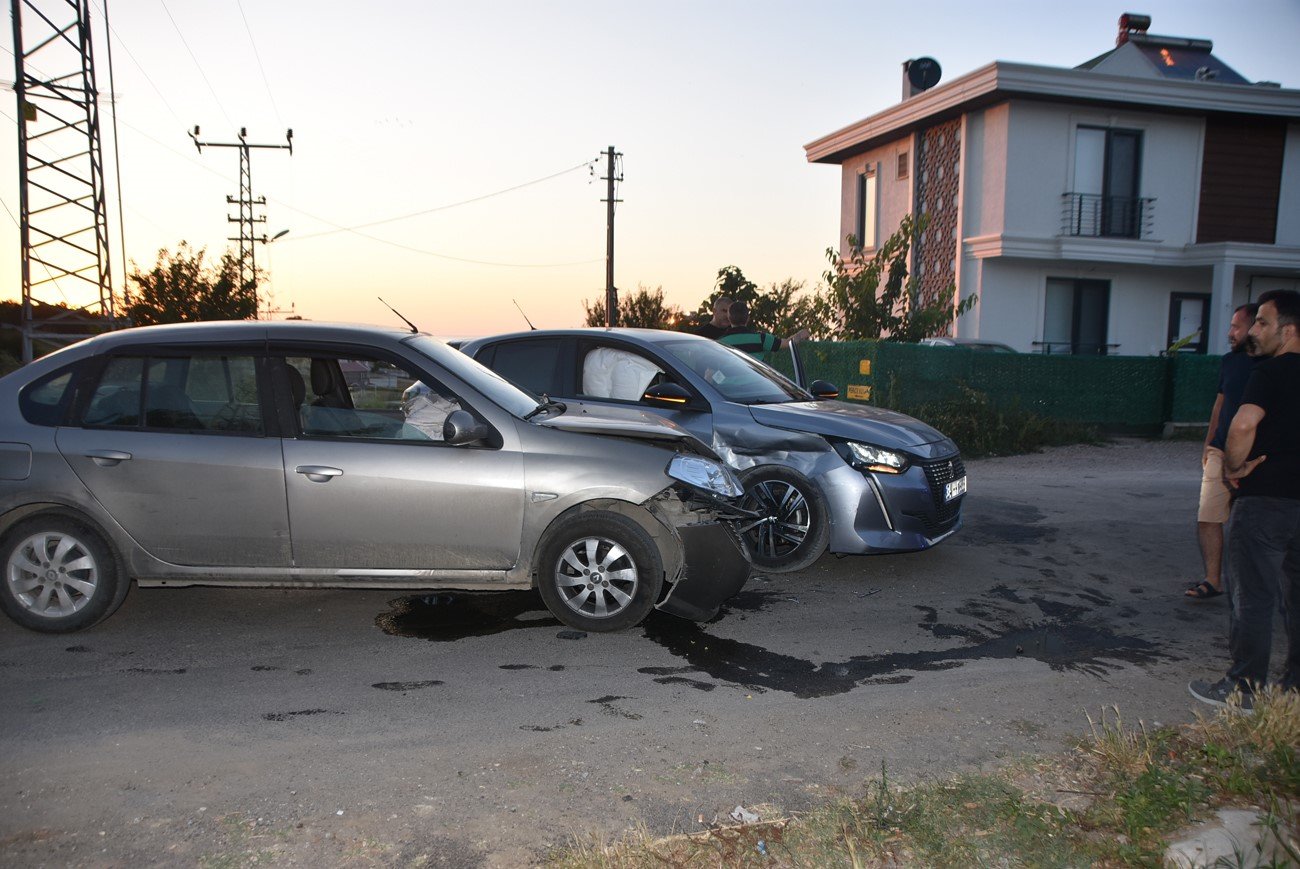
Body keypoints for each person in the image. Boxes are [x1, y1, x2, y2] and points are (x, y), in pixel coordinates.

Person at [1188, 289, 1300, 709]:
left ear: (1288, 331)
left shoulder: (1270, 374)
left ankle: (1244, 688)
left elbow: (1241, 425)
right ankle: (1294, 686)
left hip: (1267, 501)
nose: (1254, 330)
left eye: (1262, 323)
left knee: (1254, 597)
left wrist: (1234, 467)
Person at [1184, 303, 1259, 600]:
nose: (1230, 333)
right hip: (1220, 450)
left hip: (1256, 456)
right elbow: (1220, 404)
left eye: (1236, 327)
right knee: (1208, 515)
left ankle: (1255, 585)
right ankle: (1212, 580)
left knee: (1254, 524)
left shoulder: (1272, 365)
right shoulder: (1230, 361)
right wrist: (1208, 443)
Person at [718, 300, 810, 354]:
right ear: (747, 318)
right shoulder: (760, 338)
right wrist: (801, 334)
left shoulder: (720, 343)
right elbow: (787, 343)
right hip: (756, 386)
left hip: (727, 387)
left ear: (729, 318)